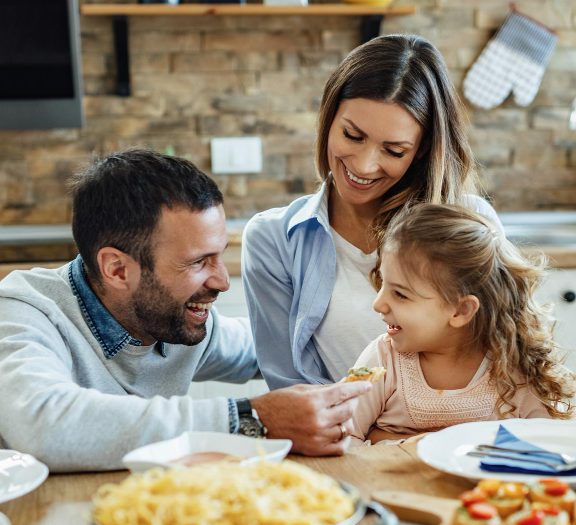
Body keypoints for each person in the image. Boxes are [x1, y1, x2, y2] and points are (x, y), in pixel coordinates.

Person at [0, 149, 371, 472]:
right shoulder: (22, 311)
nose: (223, 281)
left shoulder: (180, 324)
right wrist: (251, 418)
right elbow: (43, 426)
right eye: (198, 263)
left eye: (220, 255)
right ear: (117, 269)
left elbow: (284, 347)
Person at [242, 34, 503, 390]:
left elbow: (511, 353)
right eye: (352, 135)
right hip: (345, 440)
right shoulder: (273, 240)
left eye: (394, 151)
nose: (365, 166)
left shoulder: (472, 224)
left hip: (457, 438)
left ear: (423, 150)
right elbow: (291, 390)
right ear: (328, 118)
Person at [348, 203, 575, 445]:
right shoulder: (383, 359)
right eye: (383, 283)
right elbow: (345, 437)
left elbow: (551, 447)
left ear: (461, 310)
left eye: (401, 295)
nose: (378, 303)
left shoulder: (513, 368)